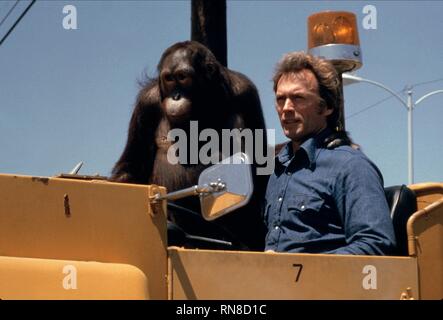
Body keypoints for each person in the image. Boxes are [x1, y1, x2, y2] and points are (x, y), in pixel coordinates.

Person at [264, 51, 396, 255]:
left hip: (323, 286)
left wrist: (296, 269)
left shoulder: (351, 166)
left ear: (327, 107)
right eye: (281, 99)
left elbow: (376, 245)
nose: (286, 108)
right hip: (267, 285)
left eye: (298, 98)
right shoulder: (277, 171)